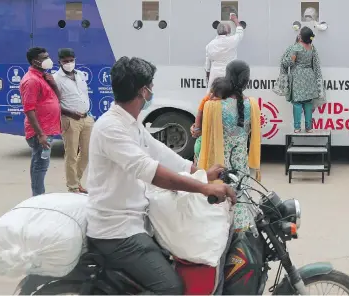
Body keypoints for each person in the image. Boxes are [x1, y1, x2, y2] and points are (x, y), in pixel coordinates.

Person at [85, 56, 236, 295]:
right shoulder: (111, 129)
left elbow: (163, 154)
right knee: (170, 287)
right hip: (117, 231)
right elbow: (152, 172)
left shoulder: (130, 124)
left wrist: (202, 174)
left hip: (137, 220)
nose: (152, 90)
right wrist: (204, 188)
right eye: (151, 86)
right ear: (142, 91)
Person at [198, 60, 261, 232]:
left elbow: (200, 133)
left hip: (220, 167)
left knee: (220, 201)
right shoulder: (252, 105)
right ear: (246, 81)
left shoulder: (213, 106)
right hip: (241, 166)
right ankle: (241, 235)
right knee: (241, 199)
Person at [20, 47, 61, 196]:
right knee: (41, 166)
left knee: (38, 164)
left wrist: (53, 84)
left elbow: (58, 99)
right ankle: (38, 198)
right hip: (41, 132)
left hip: (47, 129)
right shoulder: (31, 80)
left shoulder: (43, 77)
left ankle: (37, 196)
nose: (47, 60)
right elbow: (29, 109)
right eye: (44, 58)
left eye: (47, 56)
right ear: (34, 61)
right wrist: (41, 134)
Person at [53, 48, 93, 194]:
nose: (69, 63)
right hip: (70, 120)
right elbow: (54, 103)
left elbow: (82, 95)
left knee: (87, 153)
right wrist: (69, 112)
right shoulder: (56, 79)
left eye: (71, 60)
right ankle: (73, 187)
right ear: (60, 62)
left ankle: (77, 181)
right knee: (71, 154)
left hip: (86, 118)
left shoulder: (80, 75)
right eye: (65, 61)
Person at [280, 27, 325, 133]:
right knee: (308, 102)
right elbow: (316, 64)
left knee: (297, 103)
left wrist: (285, 60)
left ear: (300, 37)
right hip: (310, 77)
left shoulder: (296, 48)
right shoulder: (312, 48)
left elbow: (289, 63)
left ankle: (297, 127)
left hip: (298, 77)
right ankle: (309, 127)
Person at [191, 77, 231, 164]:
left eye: (216, 95)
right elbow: (199, 113)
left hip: (214, 140)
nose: (211, 96)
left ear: (225, 98)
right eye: (211, 93)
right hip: (203, 137)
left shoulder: (225, 106)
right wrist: (197, 128)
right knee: (199, 152)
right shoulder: (207, 99)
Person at [205, 13, 244, 92]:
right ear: (228, 31)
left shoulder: (210, 45)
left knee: (213, 98)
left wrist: (208, 76)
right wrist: (235, 20)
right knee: (229, 98)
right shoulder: (232, 41)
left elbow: (207, 66)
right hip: (229, 74)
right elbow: (240, 33)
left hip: (214, 75)